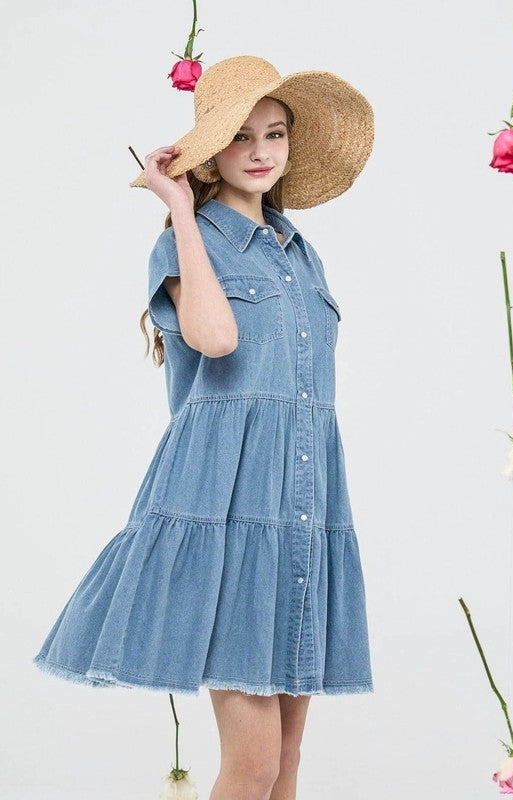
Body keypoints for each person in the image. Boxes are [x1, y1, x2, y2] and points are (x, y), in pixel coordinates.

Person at [33, 55, 375, 800]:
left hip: (302, 509)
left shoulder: (300, 255)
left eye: (274, 134)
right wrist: (183, 214)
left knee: (284, 769)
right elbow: (216, 340)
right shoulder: (188, 243)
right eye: (240, 136)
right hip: (226, 507)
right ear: (210, 152)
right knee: (250, 767)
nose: (259, 151)